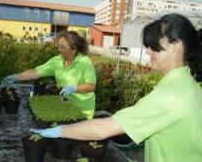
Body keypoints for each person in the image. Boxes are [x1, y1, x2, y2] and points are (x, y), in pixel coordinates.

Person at [30, 13, 202, 162]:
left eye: (154, 45)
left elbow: (102, 129)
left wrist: (59, 131)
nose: (148, 52)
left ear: (176, 45)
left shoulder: (172, 95)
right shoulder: (188, 85)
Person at [2, 31, 96, 119]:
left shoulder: (84, 62)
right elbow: (36, 72)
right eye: (58, 46)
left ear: (74, 49)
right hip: (65, 103)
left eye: (62, 47)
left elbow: (91, 86)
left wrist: (74, 88)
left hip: (83, 110)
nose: (59, 49)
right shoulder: (57, 61)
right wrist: (16, 77)